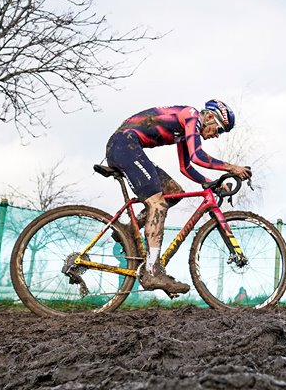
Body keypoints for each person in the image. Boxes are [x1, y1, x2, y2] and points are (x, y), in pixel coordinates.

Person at [105, 99, 252, 294]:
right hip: (125, 146)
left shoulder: (184, 130)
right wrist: (232, 167)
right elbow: (197, 155)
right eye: (220, 129)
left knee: (174, 192)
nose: (217, 135)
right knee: (157, 204)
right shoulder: (191, 115)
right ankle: (153, 271)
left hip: (128, 147)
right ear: (209, 116)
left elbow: (186, 167)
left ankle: (127, 230)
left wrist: (210, 182)